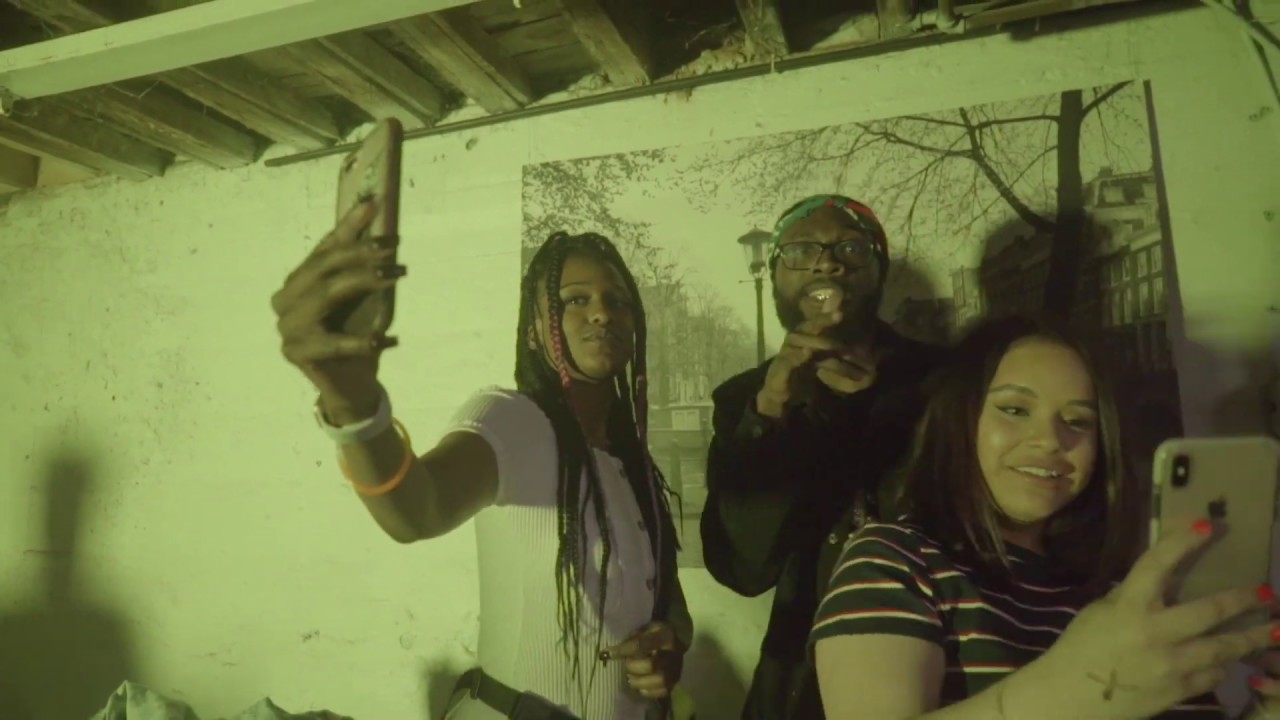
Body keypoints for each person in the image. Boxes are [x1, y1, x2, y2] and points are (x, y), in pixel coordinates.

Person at [270, 201, 692, 720]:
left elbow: (664, 598)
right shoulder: (512, 419)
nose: (602, 312)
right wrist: (352, 405)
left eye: (617, 300)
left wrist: (670, 642)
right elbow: (416, 509)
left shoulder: (633, 461)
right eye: (575, 300)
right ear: (535, 330)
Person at [812, 314, 1280, 720]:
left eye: (1077, 421)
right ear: (959, 419)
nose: (1051, 440)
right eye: (1015, 409)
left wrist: (1267, 708)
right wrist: (1078, 689)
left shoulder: (1123, 593)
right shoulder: (895, 561)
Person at [700, 194, 942, 719]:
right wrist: (771, 409)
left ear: (879, 272)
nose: (827, 264)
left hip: (935, 676)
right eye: (800, 251)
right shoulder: (745, 399)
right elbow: (742, 569)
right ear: (775, 276)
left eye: (851, 249)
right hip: (800, 687)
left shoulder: (946, 383)